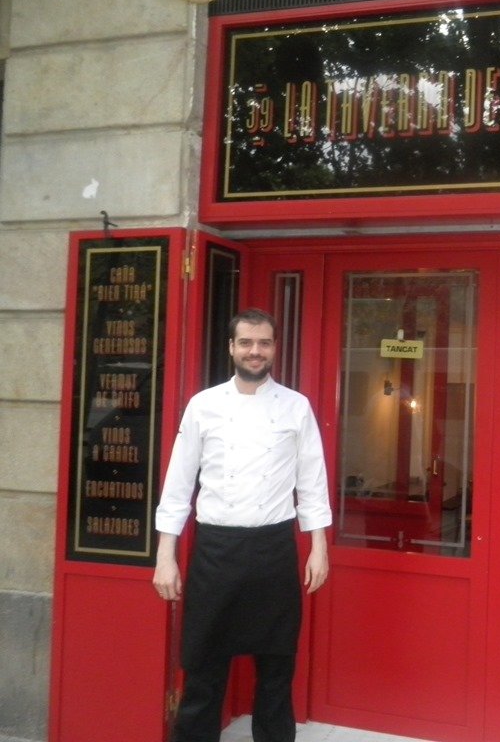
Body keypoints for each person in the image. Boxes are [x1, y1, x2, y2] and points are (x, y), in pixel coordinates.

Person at [153, 308, 332, 742]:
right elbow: (179, 484)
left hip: (274, 550)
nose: (256, 351)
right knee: (202, 672)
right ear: (231, 347)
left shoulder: (296, 406)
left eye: (264, 343)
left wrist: (319, 548)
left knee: (275, 673)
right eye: (247, 343)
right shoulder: (204, 405)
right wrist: (166, 556)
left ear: (274, 348)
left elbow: (312, 482)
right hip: (216, 552)